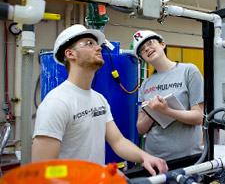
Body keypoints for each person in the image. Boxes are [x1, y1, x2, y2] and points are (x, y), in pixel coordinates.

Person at [31, 25, 168, 177]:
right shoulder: (56, 103)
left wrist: (145, 157)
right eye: (89, 43)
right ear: (70, 54)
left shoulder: (98, 99)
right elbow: (43, 169)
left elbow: (118, 141)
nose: (98, 48)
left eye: (97, 44)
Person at [133, 30, 204, 161]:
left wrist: (167, 111)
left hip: (187, 157)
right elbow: (141, 129)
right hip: (155, 158)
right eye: (142, 49)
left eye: (150, 43)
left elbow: (198, 117)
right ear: (142, 58)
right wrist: (152, 113)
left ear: (162, 44)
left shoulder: (188, 71)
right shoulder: (145, 84)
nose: (147, 48)